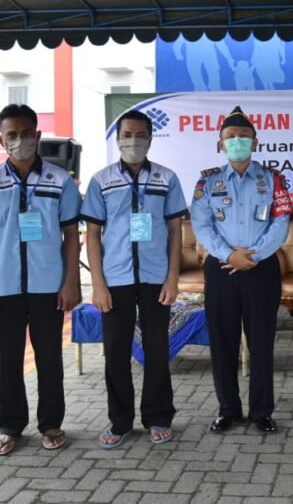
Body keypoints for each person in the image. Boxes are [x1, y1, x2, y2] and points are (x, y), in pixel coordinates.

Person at [0, 104, 81, 456]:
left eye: (26, 133)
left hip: (49, 287)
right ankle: (11, 425)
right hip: (4, 289)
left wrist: (71, 282)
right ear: (1, 139)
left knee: (49, 359)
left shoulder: (60, 181)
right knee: (7, 361)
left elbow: (72, 235)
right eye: (11, 135)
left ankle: (51, 423)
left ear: (38, 135)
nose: (19, 140)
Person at [81, 110, 187, 447]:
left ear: (151, 139)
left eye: (141, 135)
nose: (134, 141)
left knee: (157, 349)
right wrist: (98, 284)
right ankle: (120, 421)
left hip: (156, 278)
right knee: (115, 352)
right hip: (115, 280)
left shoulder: (167, 178)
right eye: (127, 134)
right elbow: (92, 235)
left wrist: (173, 278)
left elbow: (175, 232)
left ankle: (158, 416)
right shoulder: (101, 180)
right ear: (118, 138)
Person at [190, 106, 293, 433]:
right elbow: (201, 225)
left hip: (261, 269)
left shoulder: (273, 179)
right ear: (220, 144)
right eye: (230, 138)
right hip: (221, 269)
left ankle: (262, 411)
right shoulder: (208, 182)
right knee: (223, 342)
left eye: (243, 137)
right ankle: (227, 409)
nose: (237, 142)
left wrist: (255, 256)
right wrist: (228, 255)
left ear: (256, 141)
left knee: (261, 342)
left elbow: (281, 222)